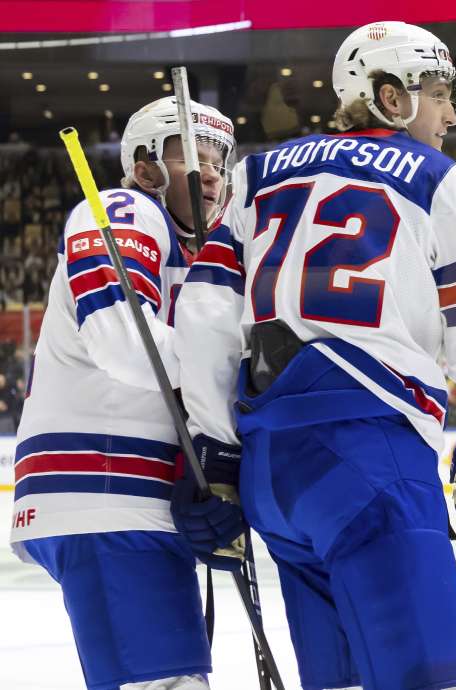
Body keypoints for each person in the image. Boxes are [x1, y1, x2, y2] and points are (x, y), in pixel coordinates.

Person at [173, 21, 456, 690]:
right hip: (371, 464)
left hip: (271, 474)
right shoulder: (440, 179)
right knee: (425, 680)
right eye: (441, 93)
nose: (454, 114)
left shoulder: (253, 174)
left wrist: (218, 452)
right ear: (390, 96)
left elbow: (200, 318)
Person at [9, 97, 236, 689]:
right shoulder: (125, 209)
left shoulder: (200, 254)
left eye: (221, 159)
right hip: (104, 489)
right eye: (192, 154)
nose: (212, 171)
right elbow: (121, 337)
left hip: (134, 499)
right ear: (143, 165)